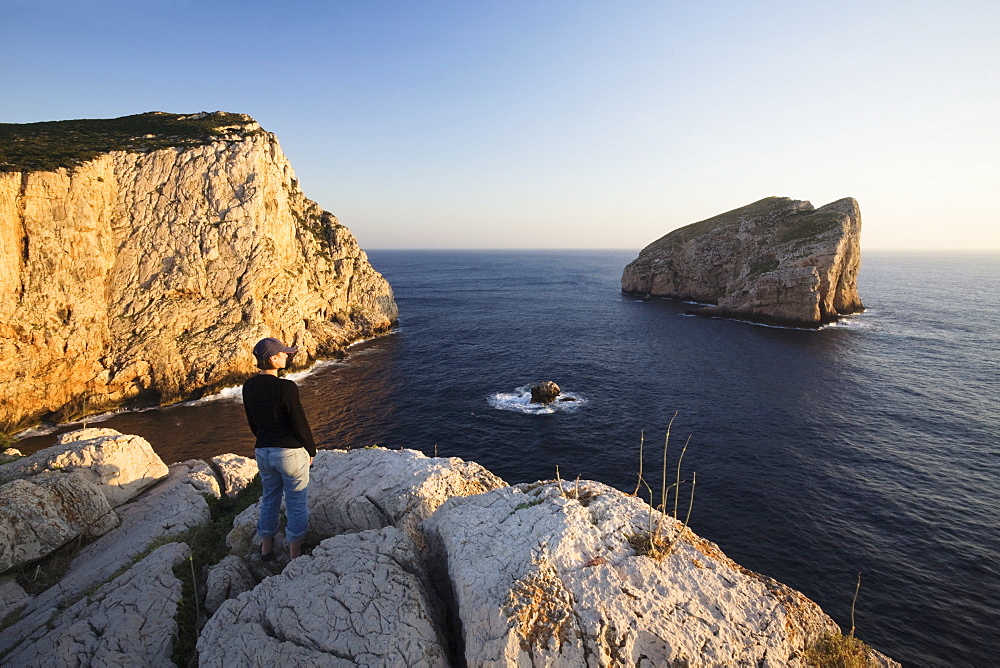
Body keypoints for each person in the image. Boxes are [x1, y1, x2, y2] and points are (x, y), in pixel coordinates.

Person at [243, 337, 316, 561]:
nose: (287, 356)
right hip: (290, 452)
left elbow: (253, 423)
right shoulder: (286, 387)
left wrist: (265, 440)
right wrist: (311, 450)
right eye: (283, 353)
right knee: (296, 502)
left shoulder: (248, 386)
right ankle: (295, 553)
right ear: (273, 358)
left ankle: (266, 549)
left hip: (263, 451)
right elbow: (299, 422)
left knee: (269, 498)